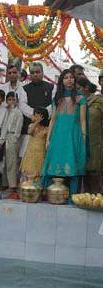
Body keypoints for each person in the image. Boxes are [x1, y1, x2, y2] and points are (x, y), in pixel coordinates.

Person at [41, 69, 87, 201]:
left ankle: (72, 198)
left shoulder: (80, 99)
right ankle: (52, 196)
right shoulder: (58, 99)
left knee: (72, 166)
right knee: (54, 165)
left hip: (73, 136)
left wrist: (83, 138)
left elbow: (83, 121)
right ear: (61, 81)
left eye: (71, 77)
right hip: (58, 136)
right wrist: (48, 139)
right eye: (66, 77)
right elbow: (53, 119)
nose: (69, 80)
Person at [76, 77, 103, 193]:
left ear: (86, 88)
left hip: (95, 147)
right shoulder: (75, 103)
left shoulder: (99, 102)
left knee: (94, 182)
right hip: (79, 146)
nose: (76, 91)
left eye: (78, 89)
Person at [0, 92, 24, 197]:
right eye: (9, 100)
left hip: (13, 137)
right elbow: (4, 126)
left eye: (13, 100)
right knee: (5, 162)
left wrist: (14, 138)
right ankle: (5, 183)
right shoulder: (7, 112)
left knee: (12, 162)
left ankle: (12, 185)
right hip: (6, 138)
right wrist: (1, 140)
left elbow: (18, 128)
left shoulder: (18, 113)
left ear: (17, 101)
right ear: (6, 101)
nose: (11, 102)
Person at [20, 107, 49, 182]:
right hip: (31, 153)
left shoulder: (47, 128)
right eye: (34, 115)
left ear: (43, 117)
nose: (34, 117)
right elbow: (29, 132)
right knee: (29, 173)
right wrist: (36, 122)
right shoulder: (31, 125)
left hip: (41, 153)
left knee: (39, 172)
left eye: (37, 116)